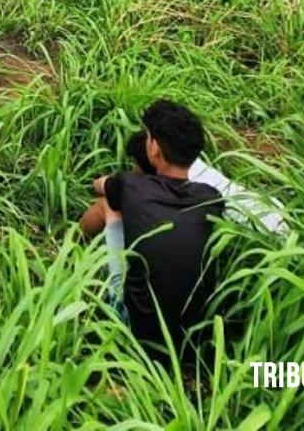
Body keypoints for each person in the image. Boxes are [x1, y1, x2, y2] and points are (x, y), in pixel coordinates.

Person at [78, 100, 224, 354]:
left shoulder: (131, 186)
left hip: (139, 333)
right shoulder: (211, 197)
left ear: (154, 148)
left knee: (107, 206)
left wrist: (108, 183)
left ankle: (74, 240)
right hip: (195, 339)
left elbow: (100, 185)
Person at [124, 131, 289, 236]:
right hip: (277, 213)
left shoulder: (182, 191)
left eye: (135, 165)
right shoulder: (188, 162)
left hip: (262, 237)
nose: (134, 170)